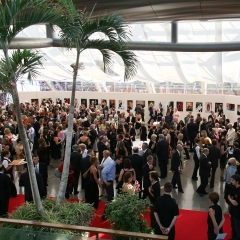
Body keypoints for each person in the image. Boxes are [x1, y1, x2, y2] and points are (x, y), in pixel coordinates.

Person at [101, 156, 123, 220]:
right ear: (117, 159)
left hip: (109, 181)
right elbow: (103, 171)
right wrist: (105, 181)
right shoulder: (112, 164)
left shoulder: (113, 164)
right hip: (108, 182)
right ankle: (105, 215)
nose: (121, 162)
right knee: (110, 198)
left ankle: (107, 214)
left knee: (111, 198)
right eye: (120, 160)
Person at [228, 174, 240, 240]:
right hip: (232, 212)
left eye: (233, 180)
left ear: (237, 181)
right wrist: (231, 199)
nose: (231, 181)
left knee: (238, 229)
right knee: (233, 227)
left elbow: (236, 204)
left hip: (237, 214)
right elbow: (229, 195)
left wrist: (231, 200)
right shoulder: (233, 187)